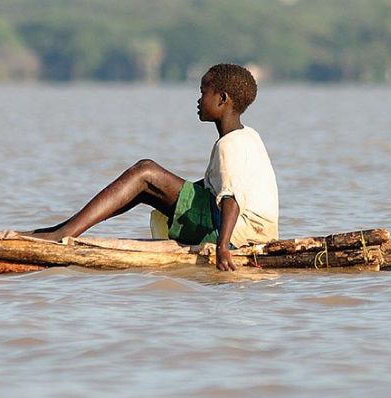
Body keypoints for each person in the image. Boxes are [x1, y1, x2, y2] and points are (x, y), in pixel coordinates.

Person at [24, 63, 278, 271]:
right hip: (252, 230)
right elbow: (217, 187)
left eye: (203, 91)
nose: (199, 99)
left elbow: (230, 198)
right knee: (147, 187)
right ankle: (66, 230)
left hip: (236, 235)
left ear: (222, 99)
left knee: (145, 171)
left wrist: (222, 248)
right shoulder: (248, 136)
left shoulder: (229, 145)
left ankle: (63, 234)